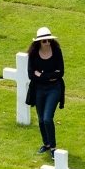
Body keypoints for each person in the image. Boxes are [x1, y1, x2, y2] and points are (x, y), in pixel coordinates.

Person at [26, 27, 65, 160]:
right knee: (41, 119)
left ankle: (53, 148)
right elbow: (31, 75)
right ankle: (46, 144)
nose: (47, 43)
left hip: (54, 88)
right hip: (38, 89)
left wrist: (42, 74)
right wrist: (49, 76)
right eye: (44, 41)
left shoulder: (57, 51)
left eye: (49, 40)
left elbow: (60, 73)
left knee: (48, 118)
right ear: (39, 42)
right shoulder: (33, 54)